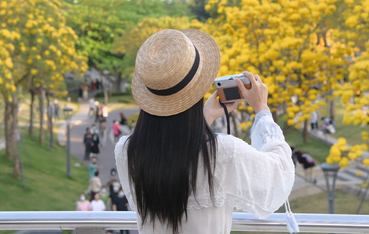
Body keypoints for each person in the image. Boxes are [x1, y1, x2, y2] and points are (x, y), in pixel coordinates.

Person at [114, 29, 297, 234]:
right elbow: (280, 174)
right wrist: (262, 110)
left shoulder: (126, 151)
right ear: (197, 90)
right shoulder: (222, 152)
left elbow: (173, 151)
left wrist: (206, 116)